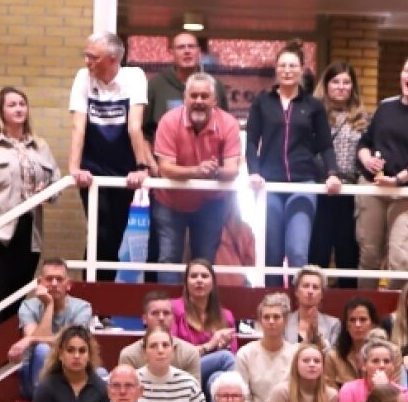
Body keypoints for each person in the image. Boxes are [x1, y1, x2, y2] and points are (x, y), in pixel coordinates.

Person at [245, 43, 342, 278]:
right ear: (276, 70)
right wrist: (254, 171)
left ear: (302, 70)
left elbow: (326, 145)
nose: (287, 70)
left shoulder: (313, 106)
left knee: (298, 252)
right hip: (271, 186)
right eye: (282, 66)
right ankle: (273, 311)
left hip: (303, 184)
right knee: (272, 254)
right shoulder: (262, 102)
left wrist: (332, 173)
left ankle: (301, 310)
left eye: (292, 66)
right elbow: (251, 142)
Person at [67, 31, 150, 281]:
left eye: (93, 57)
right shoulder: (84, 77)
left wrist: (141, 167)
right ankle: (91, 303)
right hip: (92, 169)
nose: (87, 61)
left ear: (112, 59)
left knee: (113, 237)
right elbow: (78, 126)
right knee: (98, 232)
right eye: (86, 56)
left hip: (123, 170)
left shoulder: (134, 76)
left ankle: (99, 306)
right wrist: (74, 168)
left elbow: (134, 126)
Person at [151, 72, 242, 278]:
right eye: (193, 96)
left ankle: (200, 311)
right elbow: (165, 168)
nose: (198, 101)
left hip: (210, 203)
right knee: (168, 259)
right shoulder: (168, 121)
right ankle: (167, 311)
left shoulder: (228, 123)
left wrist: (214, 172)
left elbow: (232, 170)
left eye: (204, 96)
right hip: (170, 201)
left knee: (204, 263)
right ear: (185, 98)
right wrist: (197, 171)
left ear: (215, 100)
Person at [356, 57, 408, 274]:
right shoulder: (385, 106)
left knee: (400, 259)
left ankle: (397, 307)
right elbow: (364, 143)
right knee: (369, 255)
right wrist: (367, 160)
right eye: (406, 70)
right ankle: (365, 308)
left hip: (407, 192)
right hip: (373, 188)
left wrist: (397, 179)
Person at [0, 86, 59, 324]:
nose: (19, 109)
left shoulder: (40, 146)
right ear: (1, 111)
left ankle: (3, 356)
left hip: (30, 232)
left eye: (22, 104)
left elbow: (56, 182)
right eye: (12, 105)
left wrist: (46, 190)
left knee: (17, 296)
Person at [313, 61, 370, 281]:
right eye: (335, 81)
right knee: (319, 251)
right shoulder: (314, 115)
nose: (341, 86)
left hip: (352, 193)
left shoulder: (364, 120)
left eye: (347, 82)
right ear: (326, 85)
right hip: (321, 190)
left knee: (348, 253)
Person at [9, 257, 94, 399]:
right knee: (43, 349)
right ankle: (46, 399)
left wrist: (30, 339)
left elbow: (72, 342)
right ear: (40, 283)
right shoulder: (28, 306)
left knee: (102, 374)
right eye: (49, 279)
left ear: (68, 285)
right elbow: (41, 344)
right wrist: (49, 305)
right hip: (33, 378)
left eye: (59, 279)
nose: (54, 284)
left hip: (69, 374)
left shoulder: (82, 307)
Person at [142, 30, 227, 142]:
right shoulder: (156, 85)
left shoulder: (215, 86)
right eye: (181, 47)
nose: (187, 51)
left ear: (199, 51)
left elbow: (224, 127)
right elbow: (144, 132)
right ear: (171, 52)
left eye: (191, 47)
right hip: (165, 157)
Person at [31, 326, 106, 402]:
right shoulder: (46, 387)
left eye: (82, 351)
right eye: (70, 350)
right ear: (60, 354)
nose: (76, 356)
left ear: (89, 356)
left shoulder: (101, 388)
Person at [172, 258, 238, 389]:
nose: (199, 280)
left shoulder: (226, 316)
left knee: (217, 378)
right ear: (186, 282)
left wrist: (224, 345)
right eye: (193, 276)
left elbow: (234, 354)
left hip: (210, 373)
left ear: (213, 283)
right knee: (225, 358)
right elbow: (173, 355)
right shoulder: (173, 308)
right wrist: (210, 345)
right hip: (182, 370)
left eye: (205, 276)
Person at [235, 294, 300, 402]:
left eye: (276, 317)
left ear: (285, 321)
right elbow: (242, 396)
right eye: (266, 317)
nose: (271, 321)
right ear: (260, 321)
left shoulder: (296, 354)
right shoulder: (245, 354)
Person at [335, 339, 408, 402]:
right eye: (375, 361)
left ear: (392, 366)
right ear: (364, 365)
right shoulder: (349, 389)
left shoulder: (403, 393)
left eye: (386, 361)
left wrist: (383, 390)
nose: (382, 365)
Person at [284, 266, 342, 348]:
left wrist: (317, 337)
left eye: (315, 287)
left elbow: (333, 356)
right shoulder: (284, 322)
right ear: (296, 291)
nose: (310, 291)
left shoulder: (333, 324)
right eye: (306, 286)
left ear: (321, 294)